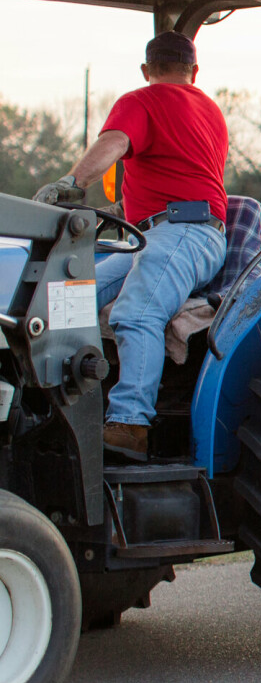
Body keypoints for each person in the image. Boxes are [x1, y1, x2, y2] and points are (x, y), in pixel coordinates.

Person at [32, 32, 229, 460]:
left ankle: (129, 425)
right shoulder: (210, 110)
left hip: (182, 234)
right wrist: (115, 209)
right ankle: (50, 407)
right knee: (68, 298)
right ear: (194, 71)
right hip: (171, 234)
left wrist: (72, 183)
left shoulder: (141, 100)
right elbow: (178, 178)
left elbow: (115, 143)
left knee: (135, 313)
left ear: (146, 70)